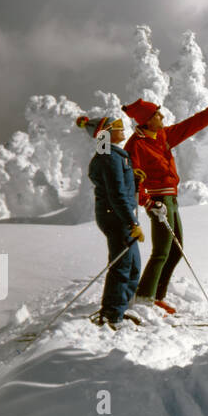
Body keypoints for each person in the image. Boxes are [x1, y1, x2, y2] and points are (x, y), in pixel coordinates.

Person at [123, 96, 208, 314]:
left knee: (175, 249)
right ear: (147, 120)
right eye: (157, 114)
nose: (162, 116)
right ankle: (144, 298)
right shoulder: (135, 145)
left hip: (171, 199)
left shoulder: (161, 135)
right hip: (158, 201)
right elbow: (131, 180)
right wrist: (148, 203)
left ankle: (156, 296)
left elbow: (189, 126)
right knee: (161, 251)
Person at [75, 115, 145, 330]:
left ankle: (118, 310)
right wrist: (132, 223)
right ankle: (112, 315)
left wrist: (133, 179)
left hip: (117, 215)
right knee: (123, 265)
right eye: (117, 126)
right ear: (104, 133)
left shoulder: (112, 155)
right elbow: (116, 194)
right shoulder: (109, 157)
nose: (122, 128)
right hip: (116, 217)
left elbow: (118, 186)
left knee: (132, 265)